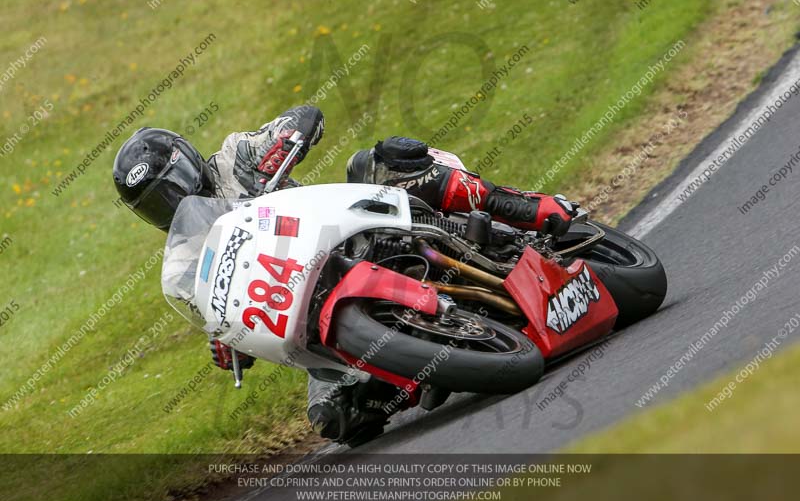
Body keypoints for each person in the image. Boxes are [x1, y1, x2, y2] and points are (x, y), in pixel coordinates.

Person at [112, 105, 576, 444]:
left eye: (172, 186)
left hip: (347, 230)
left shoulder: (236, 157)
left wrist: (286, 142)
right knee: (334, 419)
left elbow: (303, 118)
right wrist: (226, 338)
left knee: (387, 160)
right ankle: (424, 360)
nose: (172, 202)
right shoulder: (186, 260)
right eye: (157, 201)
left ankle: (525, 208)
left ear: (189, 161)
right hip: (314, 314)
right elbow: (225, 313)